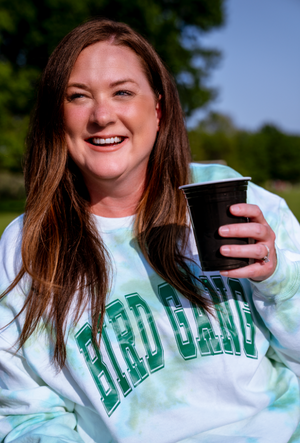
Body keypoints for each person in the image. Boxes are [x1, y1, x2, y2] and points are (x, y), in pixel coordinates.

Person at [0, 18, 299, 443]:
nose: (102, 115)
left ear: (158, 109)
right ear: (57, 116)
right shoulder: (26, 249)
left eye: (122, 92)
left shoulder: (234, 202)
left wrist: (279, 282)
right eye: (78, 97)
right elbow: (26, 416)